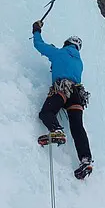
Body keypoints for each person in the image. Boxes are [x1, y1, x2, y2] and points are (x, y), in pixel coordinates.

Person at [32, 20, 93, 179]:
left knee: (46, 113)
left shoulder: (59, 53)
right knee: (77, 127)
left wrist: (36, 30)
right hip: (77, 95)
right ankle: (86, 159)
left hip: (63, 89)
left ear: (66, 43)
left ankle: (57, 130)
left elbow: (39, 45)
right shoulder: (79, 62)